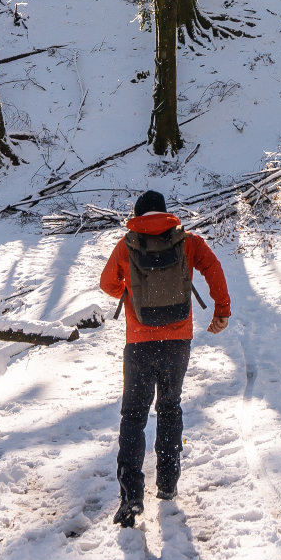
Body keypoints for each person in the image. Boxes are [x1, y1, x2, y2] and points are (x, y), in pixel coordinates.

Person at [99, 188, 231, 526]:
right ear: (164, 213)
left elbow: (107, 283)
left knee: (133, 417)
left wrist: (130, 292)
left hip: (139, 343)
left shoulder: (127, 244)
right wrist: (221, 311)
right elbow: (212, 267)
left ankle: (131, 498)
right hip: (177, 342)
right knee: (169, 408)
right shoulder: (186, 242)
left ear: (138, 215)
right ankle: (168, 483)